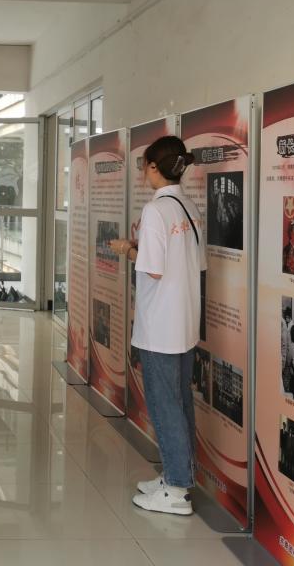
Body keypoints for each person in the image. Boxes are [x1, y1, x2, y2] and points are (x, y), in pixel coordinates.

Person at [110, 135, 204, 516]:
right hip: (184, 323)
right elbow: (194, 263)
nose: (143, 172)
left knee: (165, 404)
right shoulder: (188, 206)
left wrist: (127, 249)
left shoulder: (155, 210)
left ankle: (177, 490)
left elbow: (152, 267)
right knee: (180, 401)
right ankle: (177, 475)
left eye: (144, 165)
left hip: (161, 325)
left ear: (153, 167)